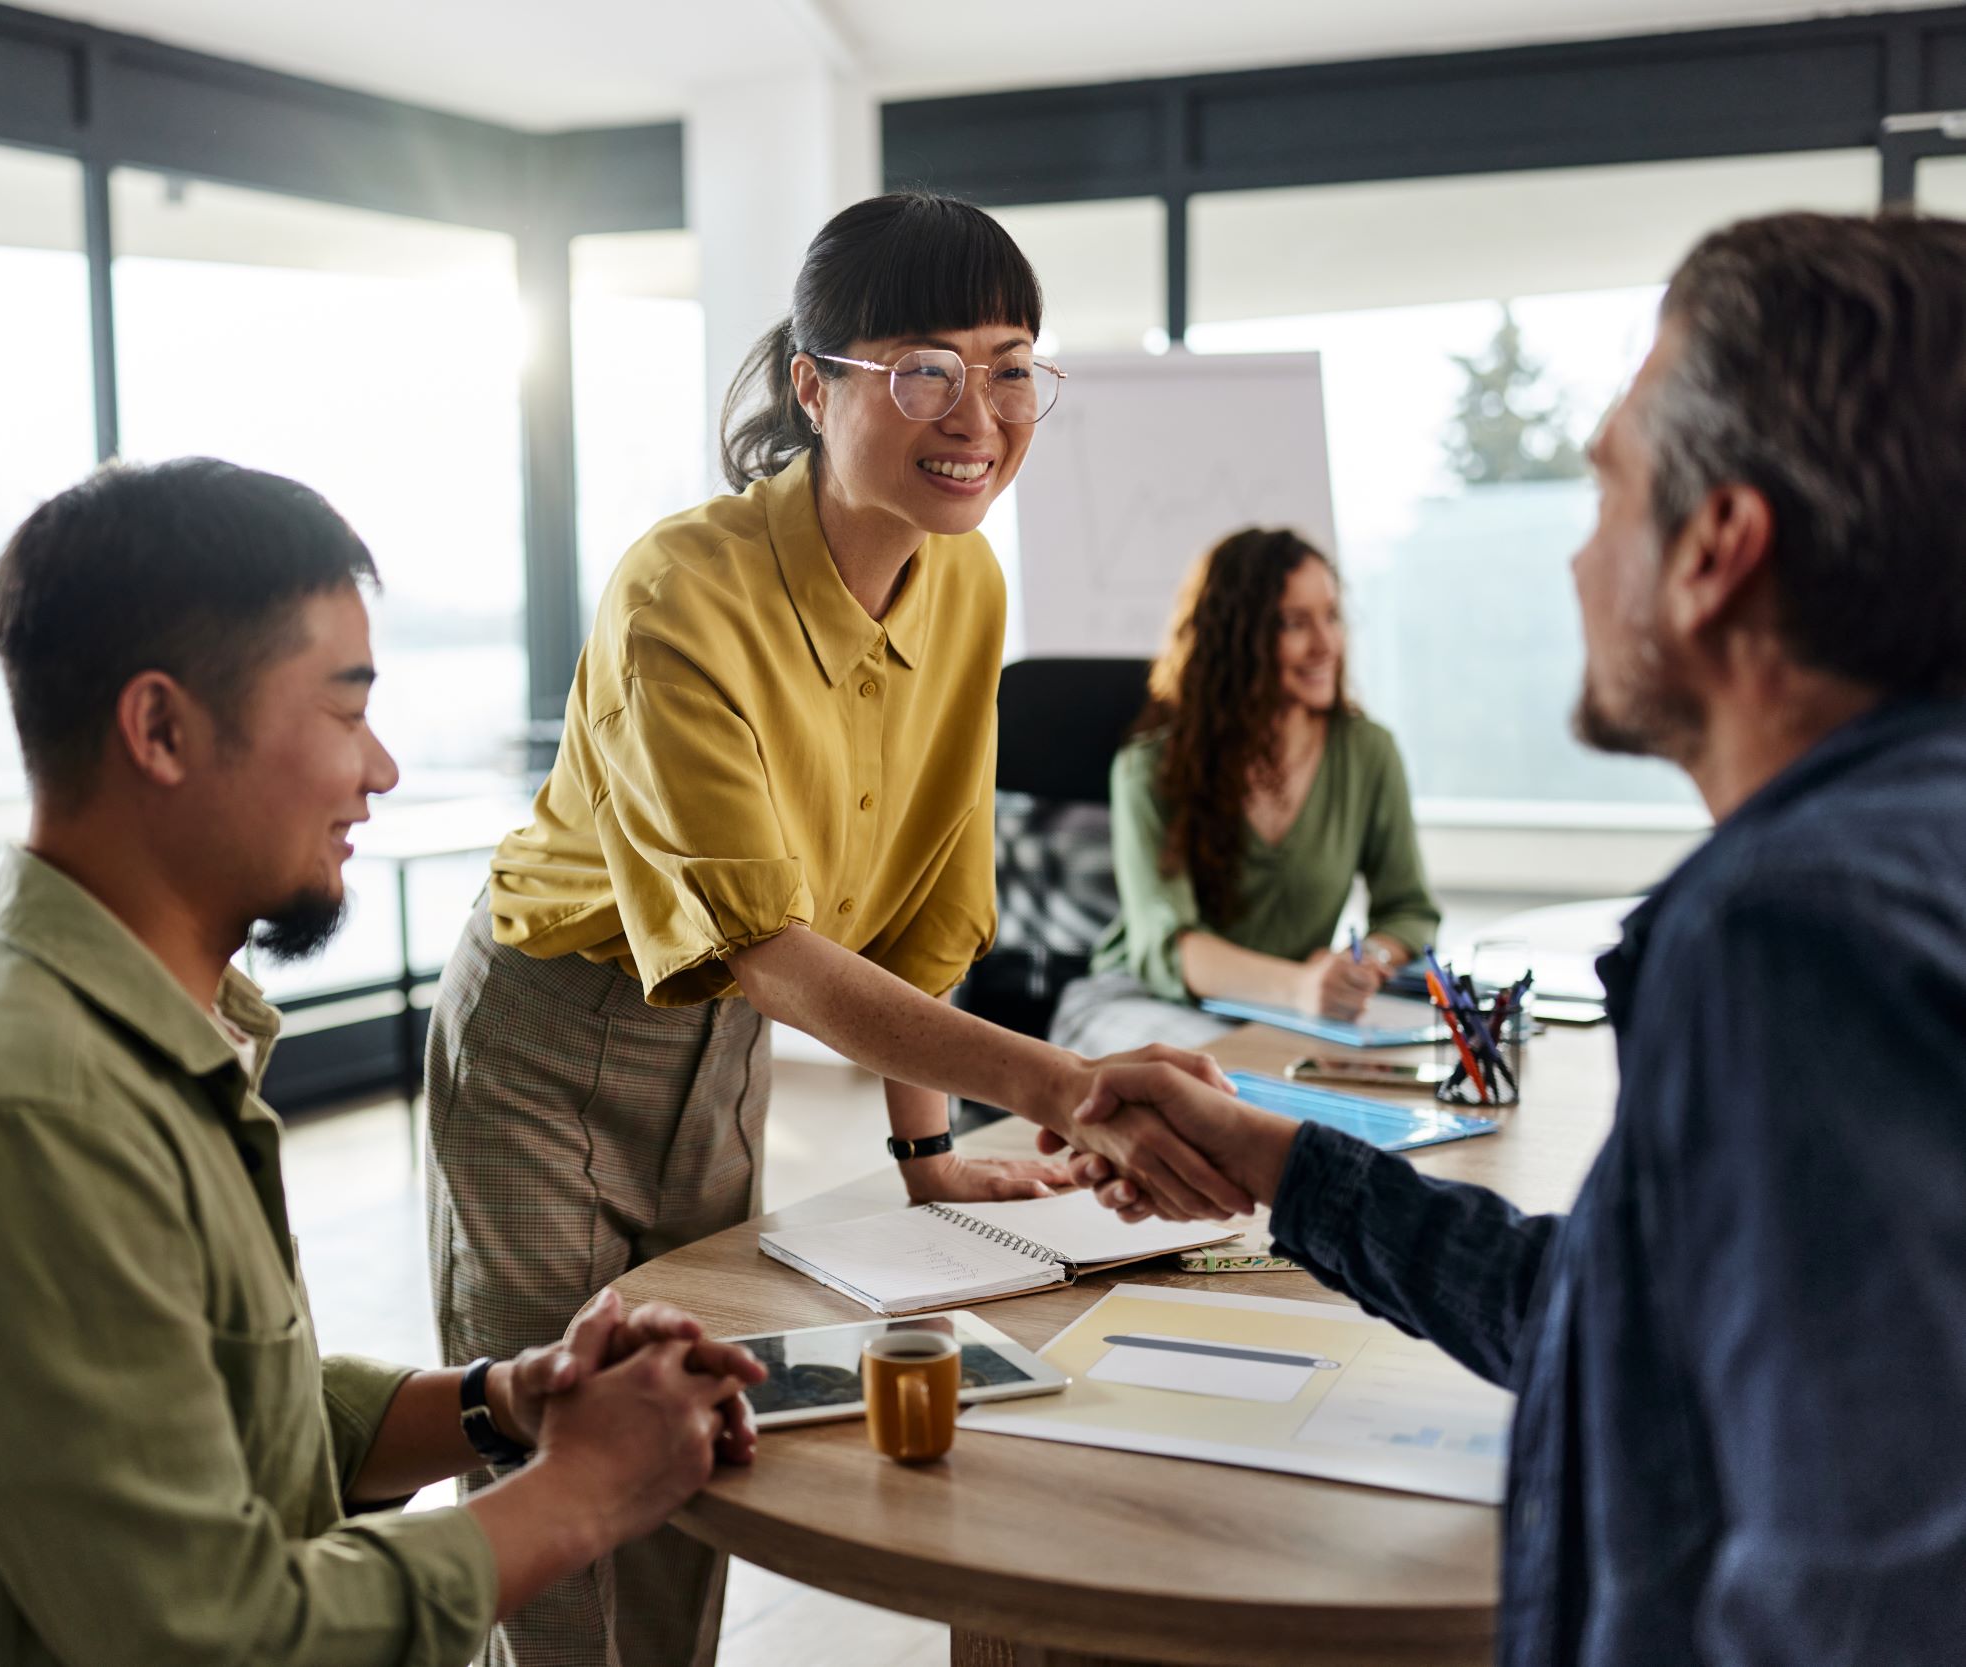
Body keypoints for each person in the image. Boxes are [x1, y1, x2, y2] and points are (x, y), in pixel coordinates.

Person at [1058, 211, 1966, 1663]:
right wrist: (1283, 1166)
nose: (1576, 554)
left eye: (1607, 489)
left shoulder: (1792, 941)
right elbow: (1618, 1326)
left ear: (1715, 549)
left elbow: (1862, 1610)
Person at [0, 459, 769, 1667]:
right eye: (344, 711)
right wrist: (587, 1488)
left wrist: (503, 1401)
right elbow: (216, 1637)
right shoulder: (26, 1111)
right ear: (162, 729)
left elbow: (236, 1421)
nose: (379, 767)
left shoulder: (102, 1030)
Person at [425, 190, 1243, 1667]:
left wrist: (929, 1157)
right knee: (558, 1450)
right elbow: (769, 944)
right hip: (549, 1036)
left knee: (692, 1428)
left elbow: (927, 901)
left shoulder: (973, 579)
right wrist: (1067, 1087)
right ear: (815, 385)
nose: (978, 413)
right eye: (924, 365)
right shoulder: (683, 586)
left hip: (723, 1049)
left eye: (1009, 364)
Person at [1047, 528, 1441, 1057]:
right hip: (1143, 1004)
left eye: (1331, 616)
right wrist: (1300, 987)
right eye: (1294, 623)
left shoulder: (1367, 752)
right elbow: (1169, 950)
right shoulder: (1150, 767)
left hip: (1284, 1013)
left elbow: (1409, 909)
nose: (1325, 644)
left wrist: (1363, 962)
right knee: (1225, 1086)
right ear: (1236, 638)